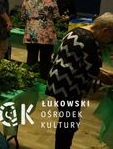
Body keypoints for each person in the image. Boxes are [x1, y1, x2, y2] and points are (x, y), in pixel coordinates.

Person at [46, 12, 113, 149]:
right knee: (69, 122)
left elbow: (84, 63)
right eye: (111, 37)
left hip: (60, 82)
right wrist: (110, 78)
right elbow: (94, 70)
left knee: (68, 120)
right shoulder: (89, 41)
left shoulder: (78, 31)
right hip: (68, 86)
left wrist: (107, 73)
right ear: (105, 30)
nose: (109, 41)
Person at [21, 0, 59, 79]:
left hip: (31, 32)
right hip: (47, 33)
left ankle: (29, 78)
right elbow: (56, 16)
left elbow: (23, 16)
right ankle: (44, 77)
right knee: (45, 58)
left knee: (31, 57)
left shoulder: (26, 0)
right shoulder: (51, 0)